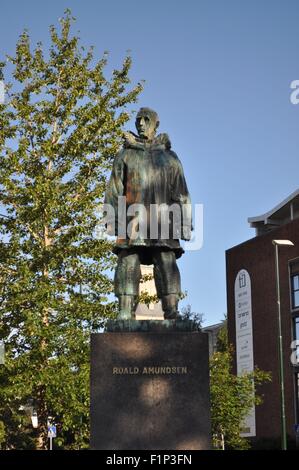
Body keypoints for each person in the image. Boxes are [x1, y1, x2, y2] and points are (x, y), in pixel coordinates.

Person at [104, 107, 192, 320]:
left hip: (163, 220)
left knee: (166, 260)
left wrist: (185, 224)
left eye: (146, 120)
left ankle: (172, 309)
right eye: (138, 120)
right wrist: (112, 220)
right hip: (132, 220)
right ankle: (125, 309)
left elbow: (181, 193)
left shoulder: (170, 158)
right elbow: (114, 189)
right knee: (127, 260)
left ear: (155, 124)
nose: (141, 124)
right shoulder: (125, 155)